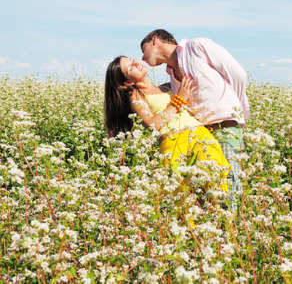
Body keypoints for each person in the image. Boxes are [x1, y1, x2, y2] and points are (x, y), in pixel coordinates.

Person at [140, 29, 250, 210]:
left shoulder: (197, 46)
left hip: (225, 125)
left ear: (154, 40)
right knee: (207, 192)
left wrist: (235, 107)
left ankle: (232, 231)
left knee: (228, 184)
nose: (142, 58)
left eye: (143, 51)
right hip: (200, 135)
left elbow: (238, 74)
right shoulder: (170, 75)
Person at [104, 56, 230, 191]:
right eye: (130, 68)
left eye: (133, 60)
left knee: (215, 178)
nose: (136, 63)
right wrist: (178, 100)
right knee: (181, 194)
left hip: (200, 134)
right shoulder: (136, 95)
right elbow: (153, 124)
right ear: (127, 83)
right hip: (174, 143)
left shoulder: (168, 86)